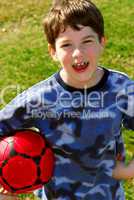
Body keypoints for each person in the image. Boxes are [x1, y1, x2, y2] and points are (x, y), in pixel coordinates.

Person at [0, 0, 134, 199]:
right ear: (53, 52)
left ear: (102, 42)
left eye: (87, 41)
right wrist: (7, 182)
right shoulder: (40, 99)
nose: (78, 53)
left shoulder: (121, 88)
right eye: (66, 45)